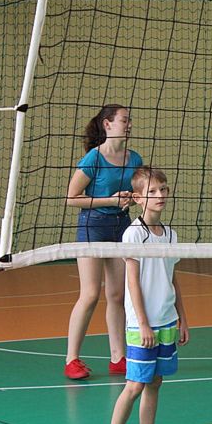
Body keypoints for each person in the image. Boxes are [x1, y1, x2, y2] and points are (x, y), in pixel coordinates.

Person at [100, 166, 188, 424]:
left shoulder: (171, 234)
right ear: (138, 198)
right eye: (152, 191)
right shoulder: (134, 233)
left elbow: (173, 278)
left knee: (155, 382)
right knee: (135, 385)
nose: (160, 195)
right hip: (142, 325)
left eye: (163, 189)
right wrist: (144, 323)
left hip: (166, 321)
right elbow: (132, 283)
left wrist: (183, 318)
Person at [64, 104, 142, 379]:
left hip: (121, 226)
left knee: (117, 295)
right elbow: (72, 198)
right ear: (107, 124)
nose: (129, 125)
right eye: (124, 120)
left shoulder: (134, 158)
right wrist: (110, 200)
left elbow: (138, 192)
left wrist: (131, 198)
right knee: (90, 294)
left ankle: (118, 357)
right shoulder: (93, 159)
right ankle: (71, 359)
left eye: (129, 120)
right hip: (93, 227)